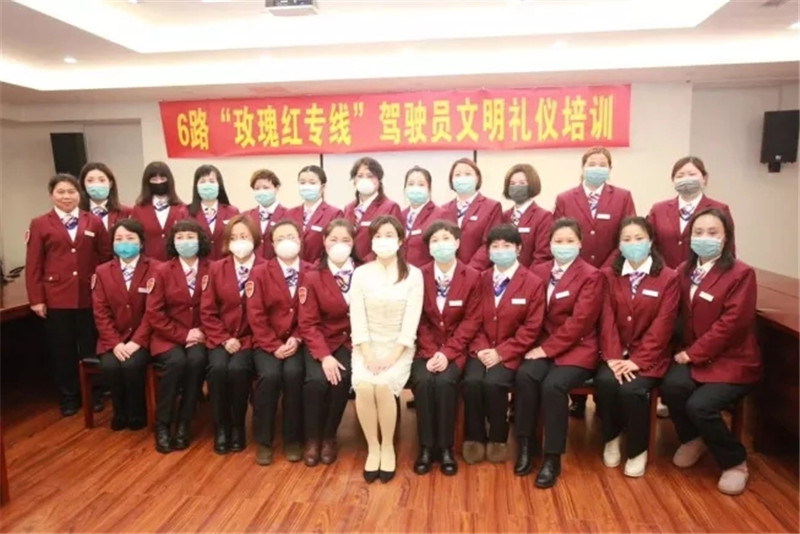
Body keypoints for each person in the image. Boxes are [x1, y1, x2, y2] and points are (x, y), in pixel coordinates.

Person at [661, 208, 760, 496]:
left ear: (726, 237)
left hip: (731, 361)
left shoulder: (741, 274)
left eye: (713, 232)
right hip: (693, 356)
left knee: (700, 406)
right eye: (699, 232)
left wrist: (693, 354)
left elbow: (733, 324)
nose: (705, 238)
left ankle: (735, 462)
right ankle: (693, 438)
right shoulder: (683, 270)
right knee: (671, 386)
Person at [520, 218, 605, 489]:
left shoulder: (592, 275)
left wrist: (546, 349)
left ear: (580, 243)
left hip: (577, 349)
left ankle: (552, 457)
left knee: (553, 386)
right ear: (550, 244)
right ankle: (526, 444)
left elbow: (581, 322)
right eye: (558, 241)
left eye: (570, 241)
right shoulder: (538, 270)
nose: (563, 245)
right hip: (541, 346)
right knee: (525, 377)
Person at [553, 147, 635, 418]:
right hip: (574, 275)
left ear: (610, 168)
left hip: (610, 273)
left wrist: (603, 270)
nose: (597, 167)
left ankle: (603, 398)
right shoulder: (565, 198)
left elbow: (627, 235)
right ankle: (575, 398)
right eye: (592, 163)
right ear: (583, 167)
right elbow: (559, 235)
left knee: (606, 327)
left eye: (602, 163)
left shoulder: (622, 197)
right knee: (577, 324)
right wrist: (581, 270)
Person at [595, 217, 680, 477]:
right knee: (606, 382)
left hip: (649, 357)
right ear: (619, 245)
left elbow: (664, 325)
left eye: (639, 238)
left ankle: (637, 450)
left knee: (632, 390)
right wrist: (613, 357)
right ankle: (611, 438)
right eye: (627, 239)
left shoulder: (668, 278)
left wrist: (637, 361)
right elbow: (606, 319)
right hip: (615, 354)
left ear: (651, 241)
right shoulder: (608, 275)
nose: (633, 244)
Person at [25, 173, 112, 416]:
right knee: (62, 350)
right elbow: (34, 264)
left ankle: (94, 394)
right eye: (61, 192)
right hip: (57, 297)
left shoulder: (93, 221)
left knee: (91, 347)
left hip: (89, 295)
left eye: (71, 192)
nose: (66, 196)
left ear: (79, 194)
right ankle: (69, 397)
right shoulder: (40, 224)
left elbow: (105, 256)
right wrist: (37, 299)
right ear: (51, 195)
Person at [462, 224, 545, 466]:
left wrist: (501, 352)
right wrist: (481, 349)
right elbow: (471, 318)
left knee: (494, 383)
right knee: (472, 382)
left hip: (511, 351)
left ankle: (498, 438)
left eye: (507, 245)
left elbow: (532, 328)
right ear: (488, 251)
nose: (501, 250)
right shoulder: (480, 279)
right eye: (495, 246)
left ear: (518, 249)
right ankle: (474, 438)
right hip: (480, 349)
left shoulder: (533, 282)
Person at [350, 215, 424, 483]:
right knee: (364, 386)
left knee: (382, 386)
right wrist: (368, 354)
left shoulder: (413, 275)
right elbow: (357, 317)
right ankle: (373, 446)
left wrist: (393, 356)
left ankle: (388, 446)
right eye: (378, 236)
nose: (383, 241)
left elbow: (411, 322)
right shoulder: (361, 273)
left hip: (399, 348)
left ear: (401, 240)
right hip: (365, 346)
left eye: (389, 235)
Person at [411, 220, 482, 476]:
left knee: (444, 383)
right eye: (435, 240)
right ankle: (426, 447)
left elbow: (472, 321)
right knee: (423, 382)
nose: (441, 244)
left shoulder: (472, 276)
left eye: (446, 239)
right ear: (428, 247)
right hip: (425, 349)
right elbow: (417, 318)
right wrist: (432, 352)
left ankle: (445, 448)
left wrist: (446, 353)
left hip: (455, 350)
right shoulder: (418, 275)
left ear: (457, 243)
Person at [247, 220, 311, 466]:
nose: (287, 242)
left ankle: (293, 438)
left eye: (291, 237)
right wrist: (273, 345)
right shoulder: (260, 272)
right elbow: (256, 314)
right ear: (272, 244)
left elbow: (311, 312)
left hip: (298, 341)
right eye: (280, 238)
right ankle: (264, 441)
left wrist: (297, 337)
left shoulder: (311, 271)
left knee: (294, 374)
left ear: (300, 240)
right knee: (270, 376)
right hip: (267, 343)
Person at [200, 215, 264, 455]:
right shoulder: (216, 268)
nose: (239, 241)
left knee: (238, 370)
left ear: (254, 238)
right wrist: (224, 339)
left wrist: (244, 340)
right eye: (234, 237)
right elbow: (207, 311)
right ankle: (221, 427)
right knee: (217, 370)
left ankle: (237, 426)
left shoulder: (265, 267)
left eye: (244, 236)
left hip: (250, 339)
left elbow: (269, 314)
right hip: (220, 337)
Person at [145, 219, 210, 454]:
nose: (185, 241)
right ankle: (163, 424)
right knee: (176, 362)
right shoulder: (161, 271)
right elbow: (154, 313)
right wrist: (183, 334)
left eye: (190, 237)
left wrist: (201, 331)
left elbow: (219, 307)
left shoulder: (212, 269)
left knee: (197, 361)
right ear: (173, 242)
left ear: (200, 240)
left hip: (201, 334)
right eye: (180, 237)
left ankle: (185, 421)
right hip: (168, 335)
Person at [298, 218, 358, 466]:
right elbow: (308, 323)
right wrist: (324, 356)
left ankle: (330, 436)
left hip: (352, 342)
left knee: (341, 380)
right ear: (323, 241)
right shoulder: (313, 276)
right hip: (322, 341)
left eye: (346, 240)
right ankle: (313, 438)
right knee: (316, 382)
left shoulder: (364, 273)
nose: (339, 245)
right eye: (333, 239)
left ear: (353, 243)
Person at [93, 219, 157, 431]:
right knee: (110, 366)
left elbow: (153, 311)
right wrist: (115, 343)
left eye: (130, 238)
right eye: (119, 239)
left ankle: (137, 412)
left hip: (144, 337)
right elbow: (101, 311)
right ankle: (120, 412)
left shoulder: (156, 268)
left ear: (141, 242)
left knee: (131, 365)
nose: (124, 243)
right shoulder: (102, 271)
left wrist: (137, 341)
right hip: (113, 338)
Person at [647, 156, 736, 269]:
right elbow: (649, 245)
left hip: (703, 275)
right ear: (673, 180)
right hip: (664, 274)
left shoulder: (719, 208)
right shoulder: (658, 209)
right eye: (680, 176)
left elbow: (728, 250)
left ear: (704, 178)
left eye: (692, 174)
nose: (686, 179)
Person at [439, 158, 502, 271]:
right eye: (457, 175)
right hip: (448, 272)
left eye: (467, 174)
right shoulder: (444, 209)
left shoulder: (492, 207)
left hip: (479, 272)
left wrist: (469, 271)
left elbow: (491, 242)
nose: (462, 178)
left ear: (477, 178)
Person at [343, 157, 402, 262]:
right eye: (360, 176)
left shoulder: (390, 207)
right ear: (354, 181)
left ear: (379, 180)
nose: (365, 179)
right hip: (349, 265)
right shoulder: (348, 208)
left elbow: (394, 242)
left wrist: (366, 265)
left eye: (370, 176)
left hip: (377, 264)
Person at [285, 165, 343, 264]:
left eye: (312, 183)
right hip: (293, 267)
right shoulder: (289, 214)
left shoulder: (335, 213)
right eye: (302, 182)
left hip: (320, 267)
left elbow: (336, 245)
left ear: (322, 186)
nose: (306, 186)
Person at [131, 161, 187, 262]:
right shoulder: (138, 210)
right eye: (154, 179)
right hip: (147, 264)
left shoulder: (182, 208)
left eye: (162, 178)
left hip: (176, 264)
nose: (159, 182)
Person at [500, 163, 553, 267]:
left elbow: (542, 256)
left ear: (532, 185)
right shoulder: (504, 216)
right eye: (512, 184)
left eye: (522, 183)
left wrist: (525, 276)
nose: (516, 187)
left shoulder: (544, 217)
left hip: (531, 274)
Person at [187, 164, 240, 260]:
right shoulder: (186, 212)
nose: (207, 185)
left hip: (225, 264)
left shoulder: (232, 212)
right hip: (199, 264)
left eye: (212, 181)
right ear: (196, 186)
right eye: (202, 181)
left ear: (219, 185)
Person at [400, 166, 440, 268]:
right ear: (405, 189)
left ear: (429, 189)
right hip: (401, 273)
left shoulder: (440, 214)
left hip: (426, 273)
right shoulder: (400, 215)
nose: (415, 188)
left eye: (421, 184)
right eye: (411, 184)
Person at [244, 169, 287, 259]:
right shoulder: (246, 216)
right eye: (257, 188)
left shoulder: (288, 215)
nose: (261, 191)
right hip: (253, 265)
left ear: (277, 188)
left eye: (266, 188)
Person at [79, 162, 132, 230]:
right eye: (90, 181)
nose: (96, 184)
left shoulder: (127, 213)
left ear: (110, 184)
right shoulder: (77, 214)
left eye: (102, 180)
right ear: (83, 185)